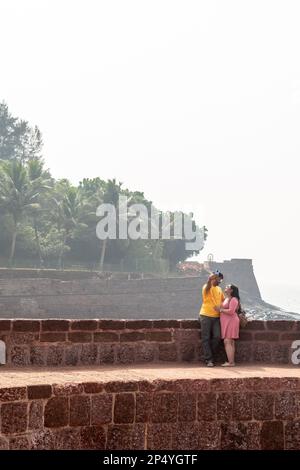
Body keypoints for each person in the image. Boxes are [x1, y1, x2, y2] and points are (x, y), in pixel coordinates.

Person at [199, 271, 224, 367]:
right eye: (218, 278)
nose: (220, 280)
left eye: (220, 279)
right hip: (206, 315)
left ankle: (209, 355)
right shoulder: (206, 287)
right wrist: (210, 279)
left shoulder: (219, 289)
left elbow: (223, 301)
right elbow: (209, 285)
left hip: (216, 317)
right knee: (206, 338)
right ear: (213, 278)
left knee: (217, 337)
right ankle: (208, 359)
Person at [214, 284, 240, 366]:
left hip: (231, 321)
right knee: (230, 341)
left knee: (227, 341)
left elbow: (232, 311)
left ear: (231, 290)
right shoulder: (227, 299)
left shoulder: (233, 299)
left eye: (227, 287)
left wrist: (220, 310)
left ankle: (231, 362)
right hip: (227, 322)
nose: (225, 287)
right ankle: (231, 361)